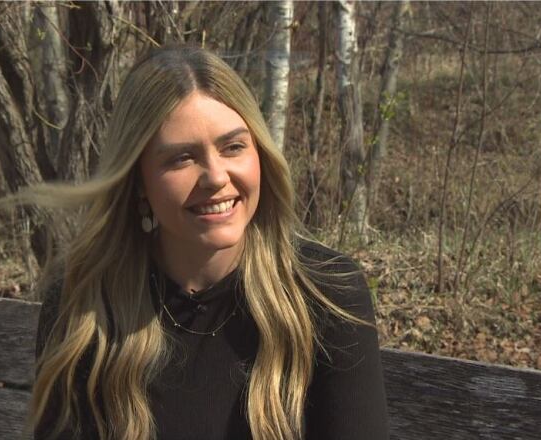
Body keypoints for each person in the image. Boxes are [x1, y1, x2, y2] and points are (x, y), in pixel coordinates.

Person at [26, 46, 389, 440]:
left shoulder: (325, 292)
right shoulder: (84, 305)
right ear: (137, 182)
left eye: (233, 146)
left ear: (261, 155)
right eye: (182, 158)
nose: (215, 176)